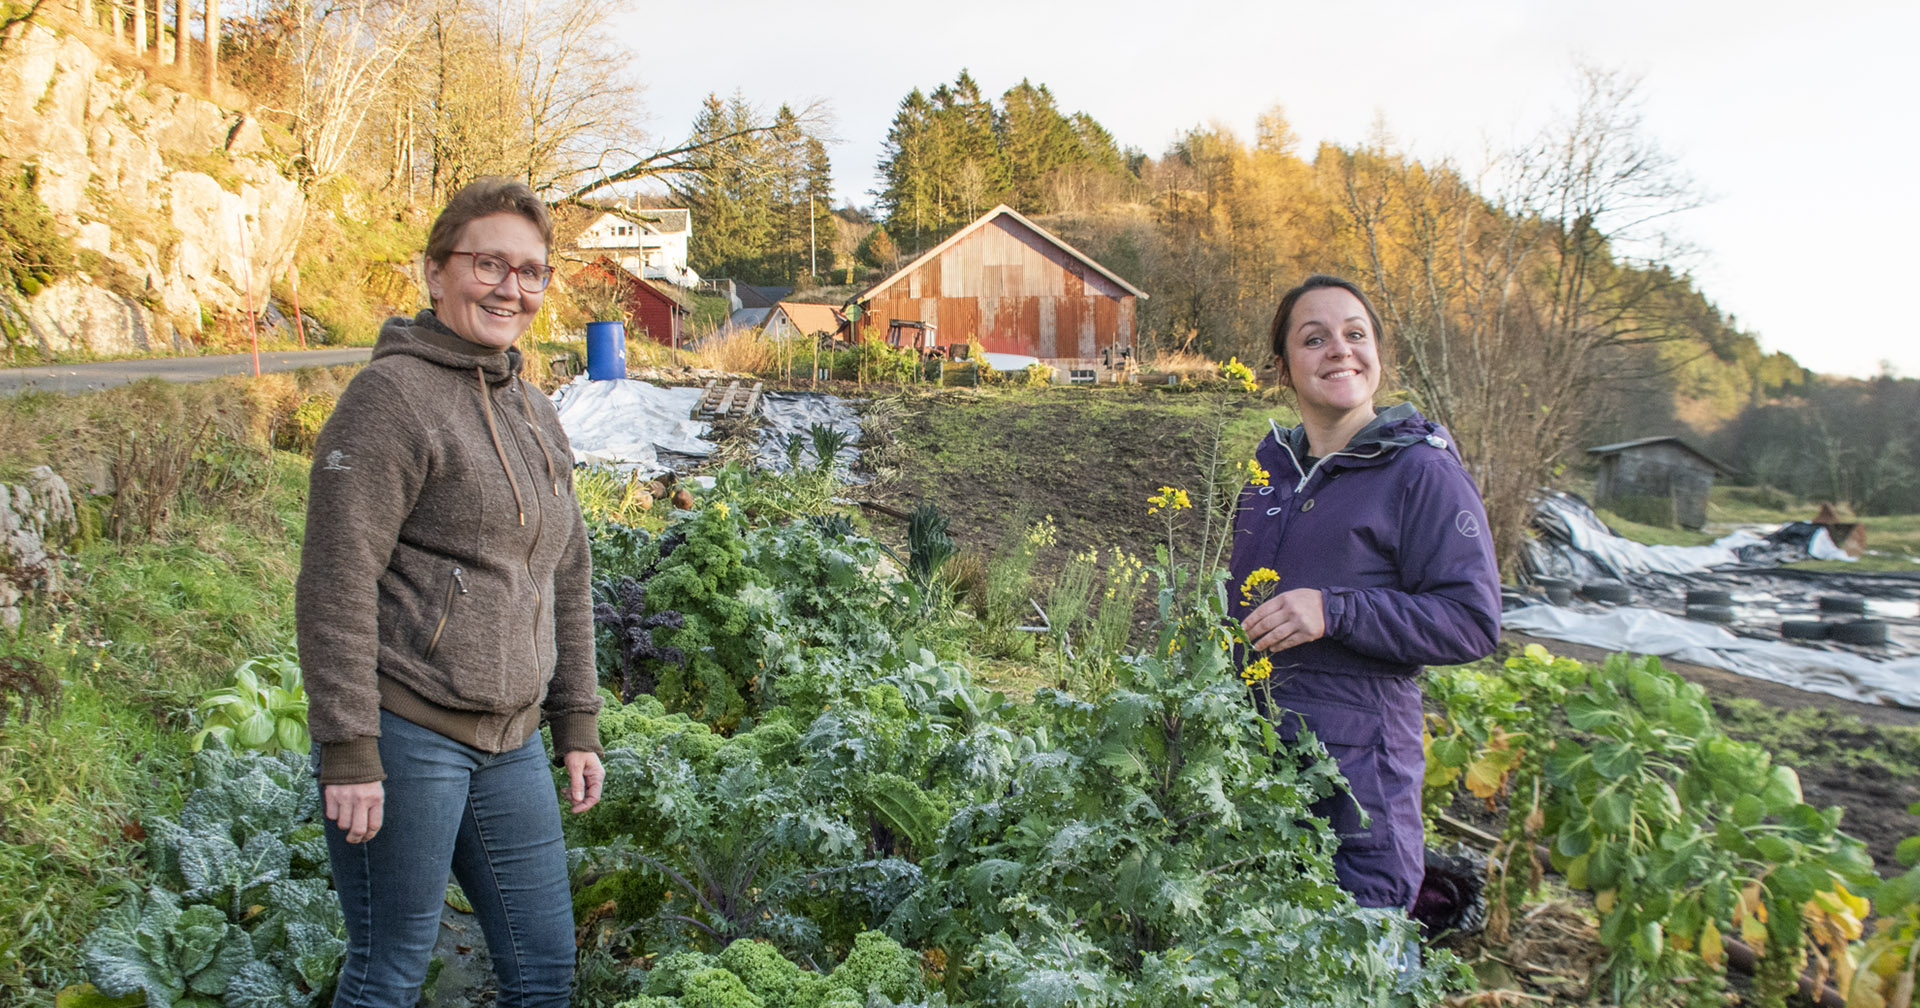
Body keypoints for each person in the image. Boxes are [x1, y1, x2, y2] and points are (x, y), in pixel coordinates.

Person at [296, 177, 604, 1008]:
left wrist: (576, 722)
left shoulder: (536, 410)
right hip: (407, 734)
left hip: (510, 744)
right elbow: (334, 580)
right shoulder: (389, 400)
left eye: (532, 271)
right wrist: (350, 749)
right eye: (489, 264)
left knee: (544, 970)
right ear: (436, 272)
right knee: (389, 972)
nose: (512, 288)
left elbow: (564, 574)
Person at [1230, 274, 1500, 912]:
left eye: (1355, 335)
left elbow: (1471, 621)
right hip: (1253, 769)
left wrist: (1334, 609)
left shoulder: (1422, 472)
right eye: (1314, 338)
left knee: (1362, 952)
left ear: (1378, 355)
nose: (1339, 350)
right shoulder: (1267, 474)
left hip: (1358, 784)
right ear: (1283, 368)